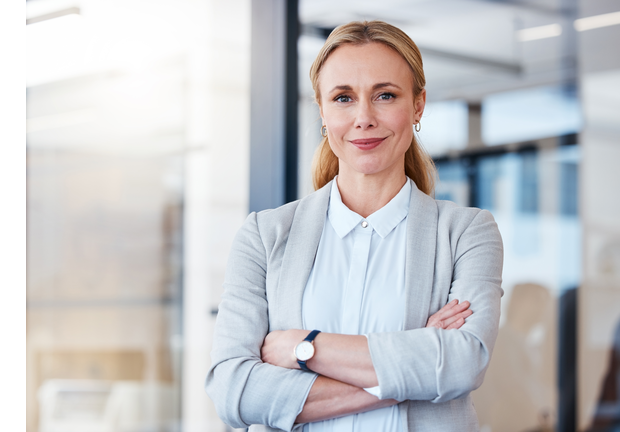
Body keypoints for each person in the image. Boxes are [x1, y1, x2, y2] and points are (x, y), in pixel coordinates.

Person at [205, 20, 504, 432]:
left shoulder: (467, 233)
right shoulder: (264, 236)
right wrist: (410, 372)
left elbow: (462, 364)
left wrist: (302, 347)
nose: (363, 117)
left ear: (417, 106)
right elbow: (234, 391)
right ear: (323, 111)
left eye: (385, 95)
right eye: (343, 98)